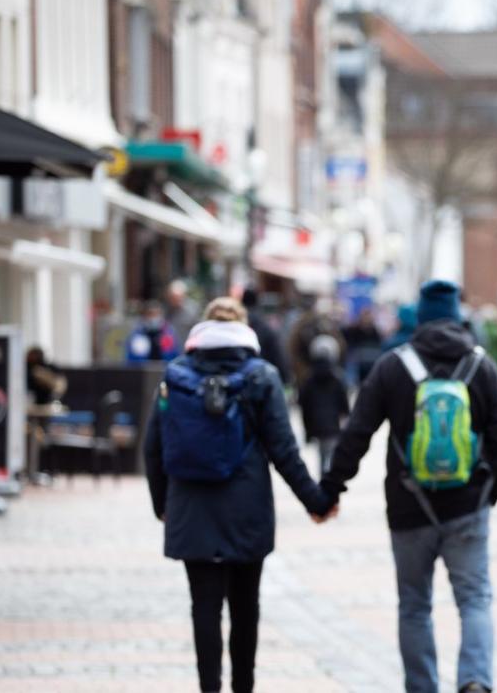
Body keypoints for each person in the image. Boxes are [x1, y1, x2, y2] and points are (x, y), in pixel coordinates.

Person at [320, 280, 497, 693]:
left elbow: (357, 433)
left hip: (409, 507)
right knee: (474, 599)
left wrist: (331, 488)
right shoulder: (481, 366)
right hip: (468, 505)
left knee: (414, 606)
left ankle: (423, 687)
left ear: (421, 317)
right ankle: (475, 681)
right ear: (457, 316)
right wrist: (490, 490)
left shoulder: (393, 367)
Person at [144, 297, 337, 693]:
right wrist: (316, 501)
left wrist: (163, 505)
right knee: (245, 606)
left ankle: (209, 688)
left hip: (190, 507)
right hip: (246, 507)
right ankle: (243, 687)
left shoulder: (175, 375)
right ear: (244, 327)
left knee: (204, 606)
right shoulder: (261, 376)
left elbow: (153, 447)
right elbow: (284, 450)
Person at [299, 335, 349, 476]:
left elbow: (304, 406)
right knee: (330, 455)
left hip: (317, 425)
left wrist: (307, 431)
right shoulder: (337, 377)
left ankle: (325, 481)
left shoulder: (308, 380)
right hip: (333, 424)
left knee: (323, 456)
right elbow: (344, 404)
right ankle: (330, 481)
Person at [242, 289, 291, 386]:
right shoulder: (265, 327)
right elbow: (278, 356)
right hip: (262, 382)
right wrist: (286, 380)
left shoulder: (237, 326)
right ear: (257, 302)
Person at [343, 307, 384, 387]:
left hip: (371, 362)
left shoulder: (375, 331)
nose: (367, 318)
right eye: (365, 316)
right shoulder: (354, 330)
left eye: (368, 316)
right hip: (358, 363)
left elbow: (379, 344)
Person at [166, 280, 200, 345]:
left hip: (187, 347)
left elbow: (197, 330)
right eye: (172, 297)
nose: (175, 300)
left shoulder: (193, 309)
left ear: (184, 295)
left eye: (177, 297)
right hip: (171, 349)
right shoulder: (166, 310)